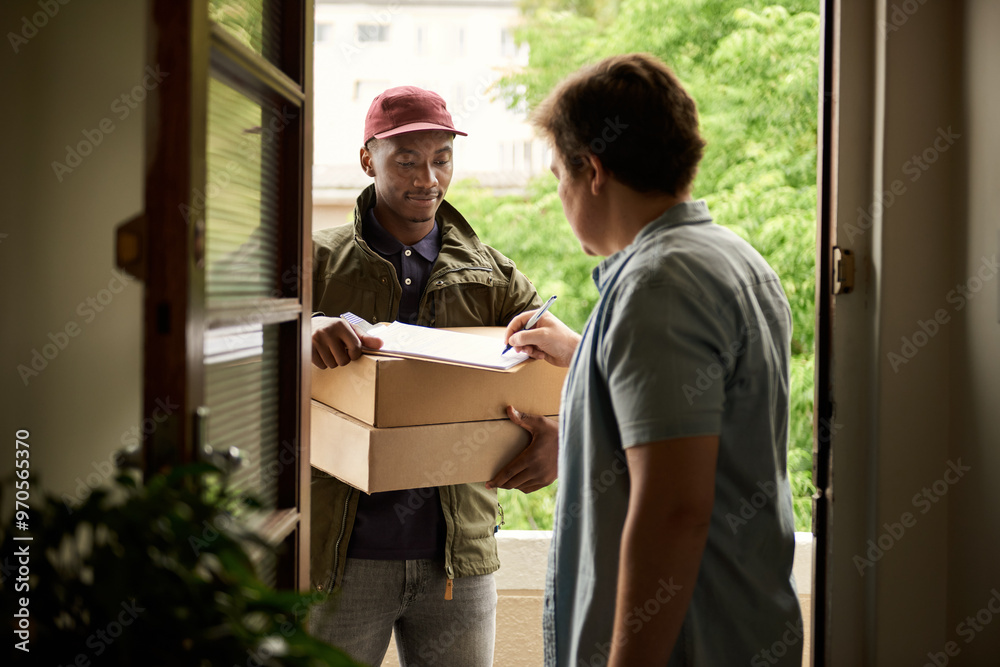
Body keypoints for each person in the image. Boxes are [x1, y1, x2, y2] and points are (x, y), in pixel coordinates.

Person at [504, 54, 803, 666]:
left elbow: (674, 510)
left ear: (592, 170)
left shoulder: (658, 289)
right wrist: (587, 351)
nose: (559, 195)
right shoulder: (734, 260)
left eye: (559, 173)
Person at [308, 85, 557, 667]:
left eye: (441, 158)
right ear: (368, 159)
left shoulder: (495, 276)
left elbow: (562, 366)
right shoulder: (312, 262)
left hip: (457, 559)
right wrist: (304, 331)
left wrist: (559, 439)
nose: (428, 178)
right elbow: (238, 346)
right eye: (407, 160)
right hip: (340, 558)